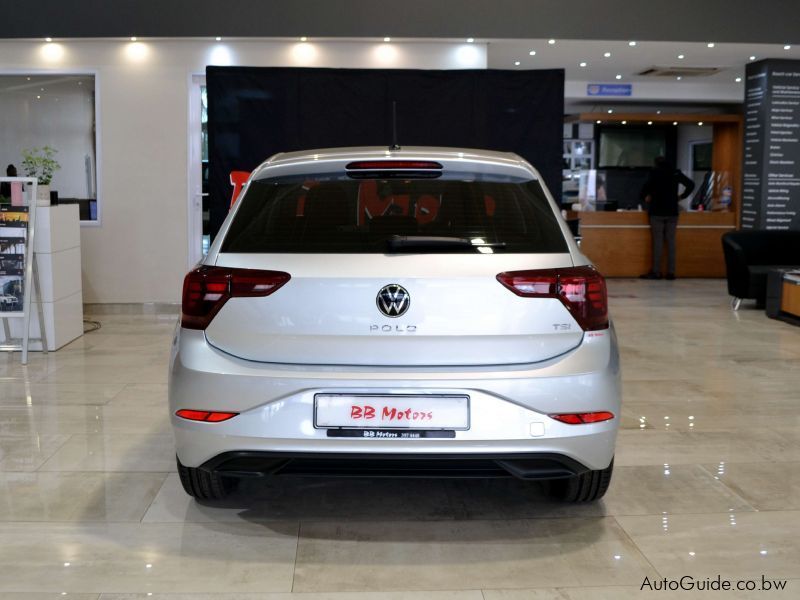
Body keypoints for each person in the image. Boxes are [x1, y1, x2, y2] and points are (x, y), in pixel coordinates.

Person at [639, 156, 695, 280]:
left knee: (658, 242)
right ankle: (671, 273)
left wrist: (646, 197)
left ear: (656, 163)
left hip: (657, 212)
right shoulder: (675, 173)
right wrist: (681, 196)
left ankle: (656, 272)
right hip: (672, 212)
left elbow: (644, 190)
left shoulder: (654, 173)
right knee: (671, 242)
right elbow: (691, 184)